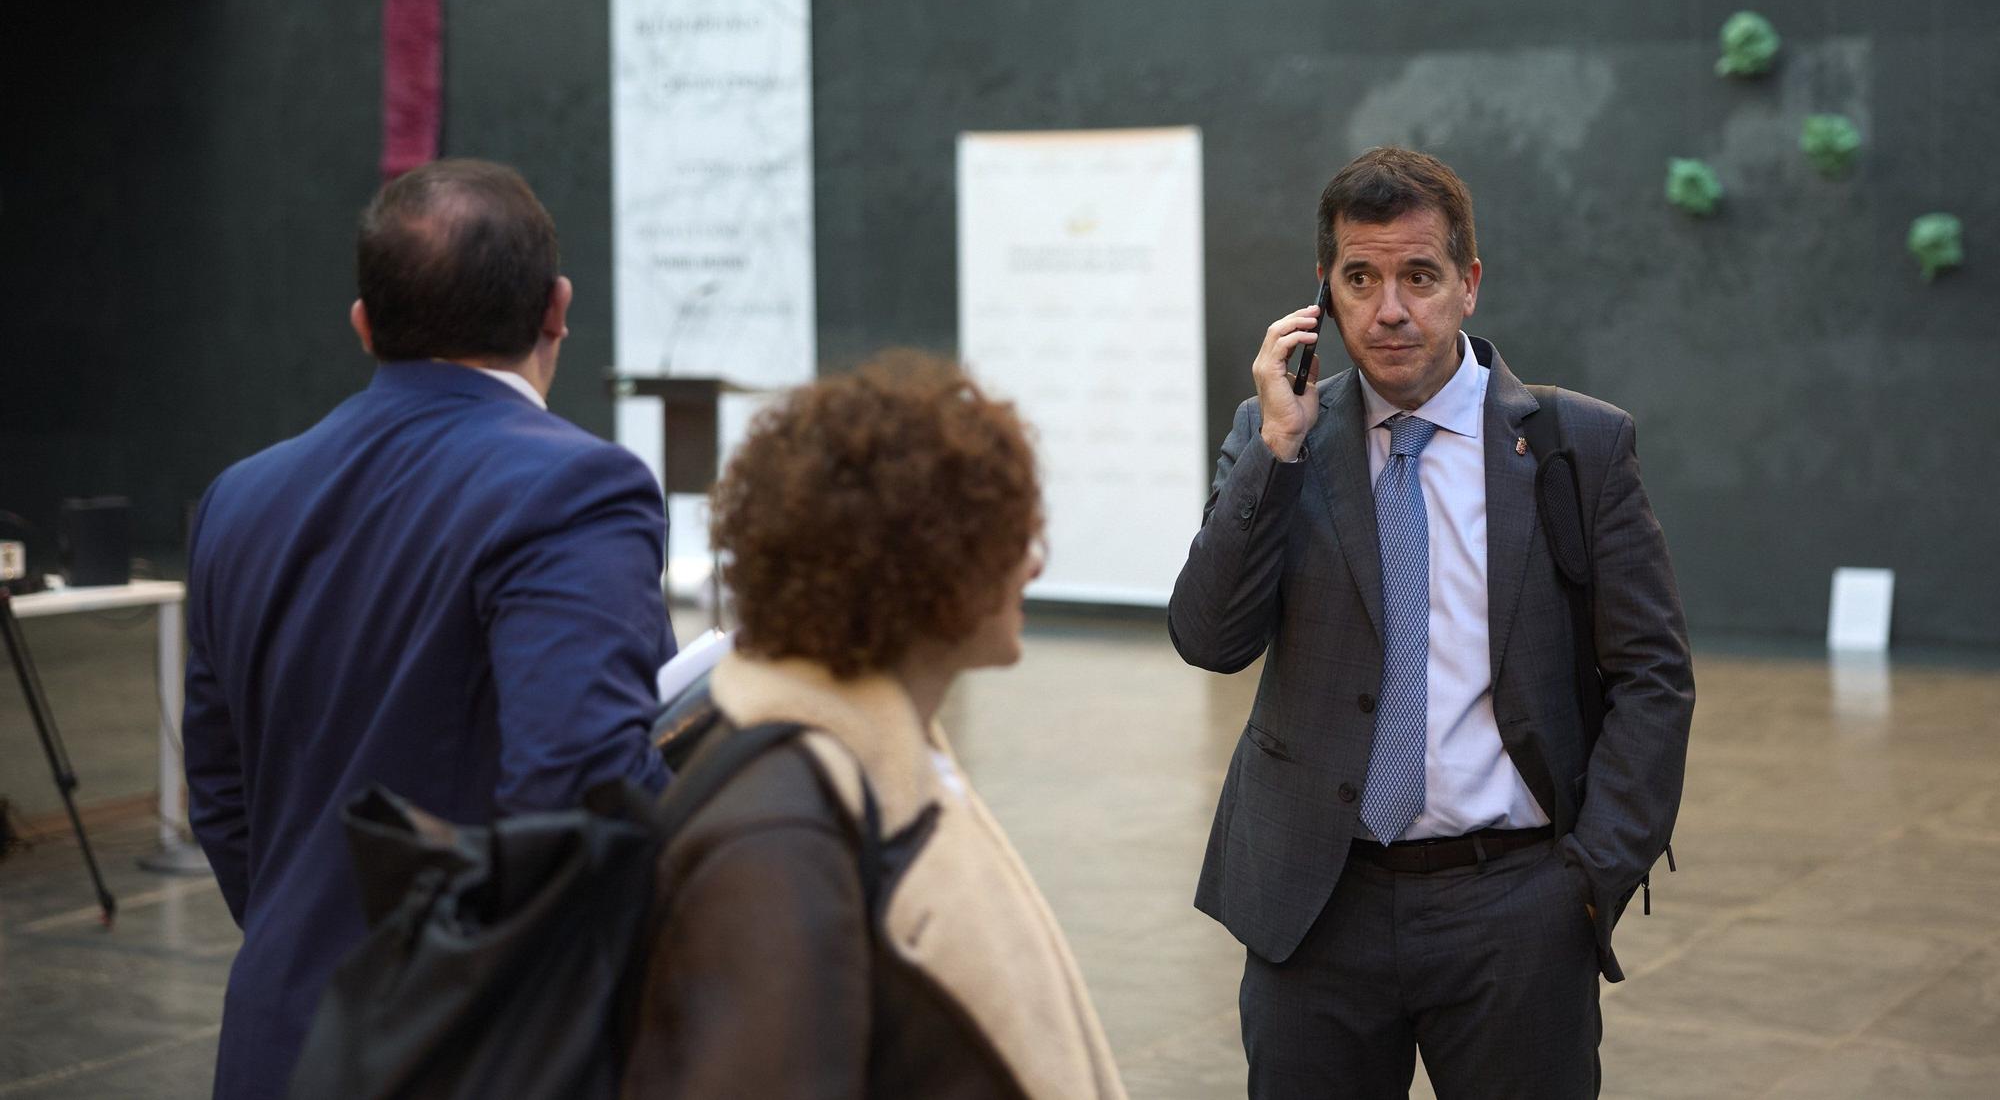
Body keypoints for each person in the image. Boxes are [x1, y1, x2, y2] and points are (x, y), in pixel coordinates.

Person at [1168, 146, 1694, 1098]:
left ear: (1469, 284)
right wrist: (1276, 451)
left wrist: (1586, 881)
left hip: (1516, 908)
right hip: (1316, 905)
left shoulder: (1580, 444)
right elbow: (1210, 639)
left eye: (1419, 275)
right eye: (1359, 279)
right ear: (1324, 292)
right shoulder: (1278, 436)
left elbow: (1654, 675)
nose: (1391, 309)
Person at [183, 159, 675, 1099]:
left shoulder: (236, 499)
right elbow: (580, 786)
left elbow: (221, 791)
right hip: (479, 1049)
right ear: (557, 309)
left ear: (365, 324)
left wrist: (323, 937)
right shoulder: (577, 488)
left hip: (282, 1037)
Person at [622, 351, 1127, 1100]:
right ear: (923, 568)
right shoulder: (782, 832)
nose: (1034, 564)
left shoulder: (878, 763)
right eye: (1007, 535)